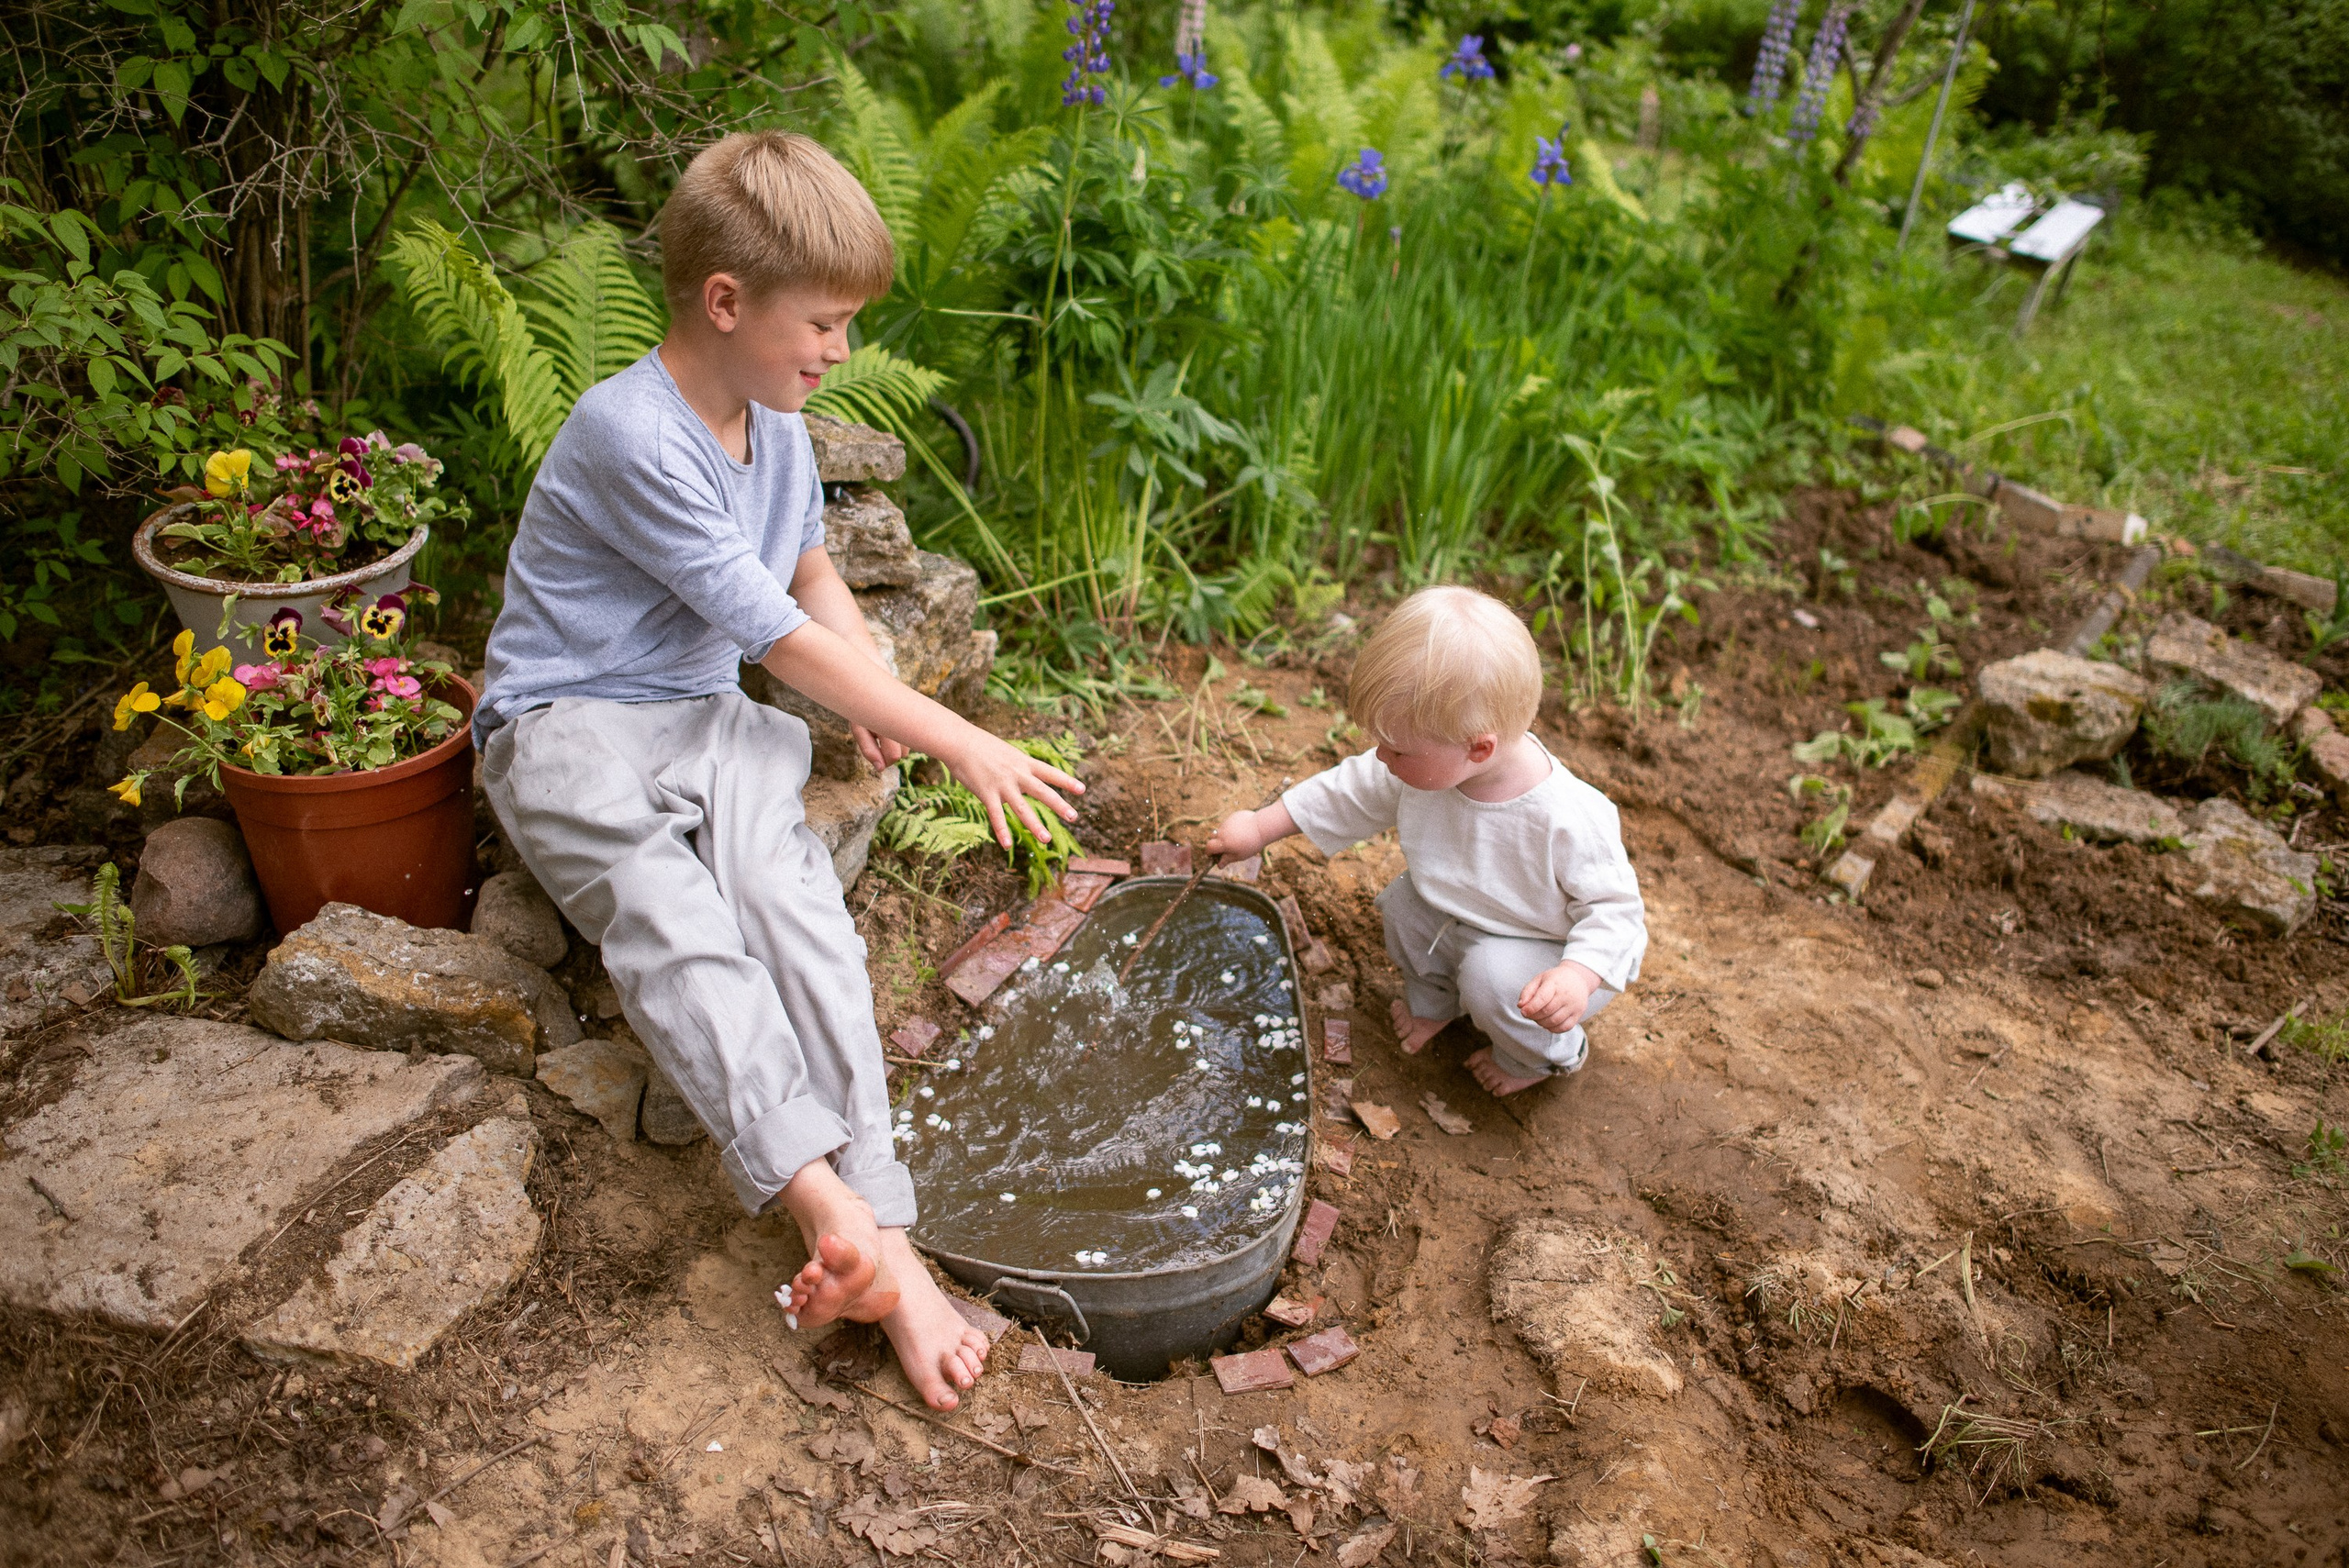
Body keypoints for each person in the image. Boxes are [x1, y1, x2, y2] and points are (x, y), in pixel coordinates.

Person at [475, 131, 1080, 1410]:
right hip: (570, 722)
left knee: (797, 916)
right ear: (726, 302)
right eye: (826, 323)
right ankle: (824, 1206)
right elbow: (779, 635)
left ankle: (887, 1242)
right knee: (673, 921)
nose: (842, 351)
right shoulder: (629, 431)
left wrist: (877, 694)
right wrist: (946, 729)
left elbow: (810, 579)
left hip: (702, 719)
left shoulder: (782, 427)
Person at [1207, 586, 1644, 1095]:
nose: (1382, 758)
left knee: (1490, 975)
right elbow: (1347, 793)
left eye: (1396, 749)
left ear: (1478, 748)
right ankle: (1437, 1005)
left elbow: (1616, 913)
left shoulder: (1568, 818)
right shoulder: (1422, 761)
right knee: (1405, 905)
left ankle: (1540, 1059)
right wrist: (1261, 828)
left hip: (1543, 957)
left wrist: (1579, 974)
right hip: (1458, 913)